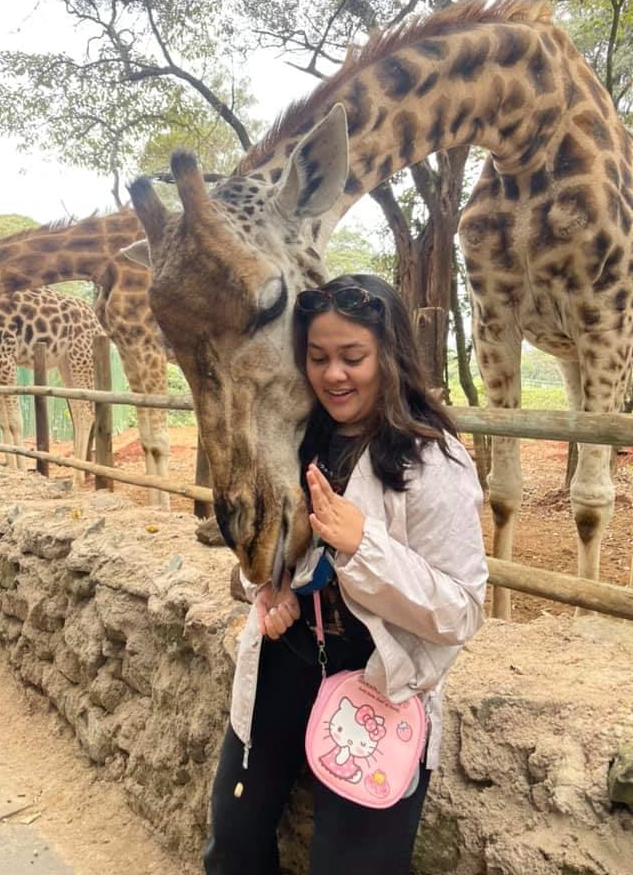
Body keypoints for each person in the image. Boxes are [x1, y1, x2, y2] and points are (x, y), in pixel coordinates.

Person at [203, 273, 488, 875]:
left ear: (391, 356)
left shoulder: (431, 460)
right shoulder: (296, 442)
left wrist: (363, 545)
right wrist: (267, 588)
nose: (334, 374)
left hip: (379, 682)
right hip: (289, 657)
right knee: (231, 843)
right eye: (318, 357)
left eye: (353, 357)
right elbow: (260, 549)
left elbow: (461, 610)